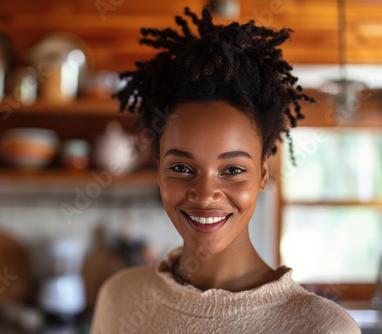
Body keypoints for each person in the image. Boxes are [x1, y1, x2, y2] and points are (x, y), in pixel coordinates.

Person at [90, 6, 361, 334]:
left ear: (262, 175)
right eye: (180, 167)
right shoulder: (120, 297)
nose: (204, 195)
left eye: (232, 169)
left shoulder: (322, 328)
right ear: (159, 171)